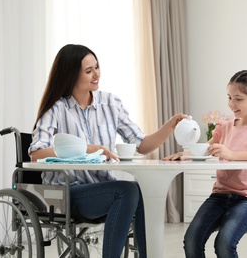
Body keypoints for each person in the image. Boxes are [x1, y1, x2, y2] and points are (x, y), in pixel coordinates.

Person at [29, 44, 186, 258]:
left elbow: (141, 144)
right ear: (71, 74)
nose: (96, 74)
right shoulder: (57, 109)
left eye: (97, 67)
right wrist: (86, 150)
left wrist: (169, 126)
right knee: (127, 190)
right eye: (88, 71)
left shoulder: (111, 103)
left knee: (140, 190)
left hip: (100, 188)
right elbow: (36, 154)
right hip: (66, 192)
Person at [163, 70, 247, 258]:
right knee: (192, 240)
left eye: (238, 99)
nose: (231, 104)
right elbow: (204, 149)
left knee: (224, 244)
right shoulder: (224, 127)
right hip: (219, 196)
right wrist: (183, 154)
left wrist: (233, 154)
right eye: (229, 98)